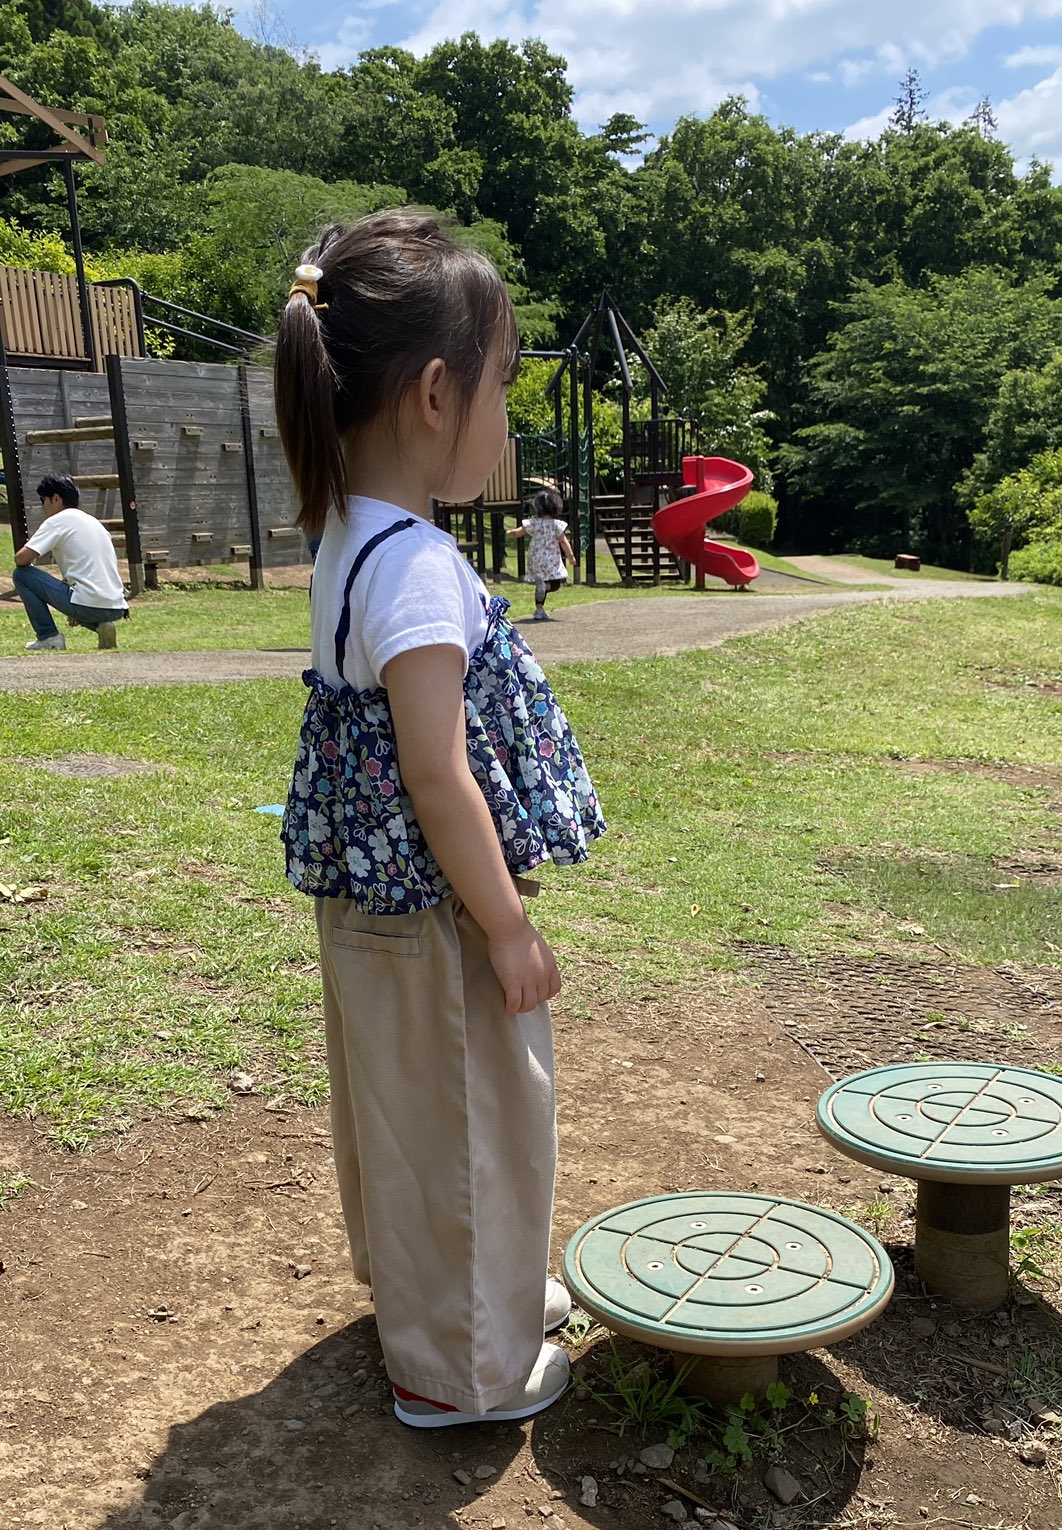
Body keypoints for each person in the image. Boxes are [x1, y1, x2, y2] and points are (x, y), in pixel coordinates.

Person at [274, 212, 606, 1430]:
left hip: (372, 898)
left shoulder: (345, 534)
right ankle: (461, 1367)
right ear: (432, 394)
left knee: (403, 1114)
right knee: (471, 1115)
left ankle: (449, 1296)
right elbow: (436, 772)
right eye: (501, 389)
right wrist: (509, 926)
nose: (507, 420)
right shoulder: (413, 562)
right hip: (432, 904)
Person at [12, 475, 129, 652]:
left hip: (86, 601)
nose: (43, 507)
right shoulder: (94, 522)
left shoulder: (57, 521)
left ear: (56, 498)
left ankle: (48, 637)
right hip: (117, 605)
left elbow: (21, 559)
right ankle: (102, 625)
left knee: (21, 575)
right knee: (81, 598)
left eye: (43, 500)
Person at [507, 488, 575, 623]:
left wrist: (509, 533)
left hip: (535, 557)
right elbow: (563, 541)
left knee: (541, 583)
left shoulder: (534, 523)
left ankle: (539, 610)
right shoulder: (556, 524)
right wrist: (571, 556)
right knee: (555, 584)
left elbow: (519, 532)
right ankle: (546, 588)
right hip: (550, 558)